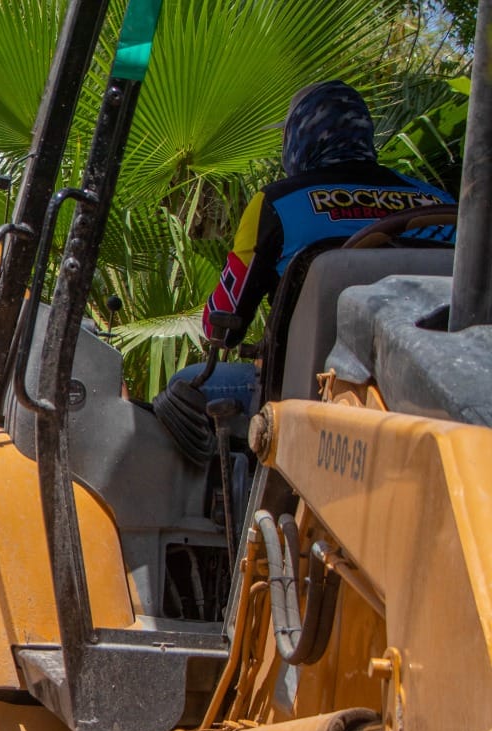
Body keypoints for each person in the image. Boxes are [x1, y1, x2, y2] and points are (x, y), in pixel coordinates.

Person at [158, 81, 456, 459]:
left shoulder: (278, 202)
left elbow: (221, 325)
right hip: (435, 405)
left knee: (185, 386)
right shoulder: (439, 202)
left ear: (299, 137)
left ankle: (228, 509)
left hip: (302, 396)